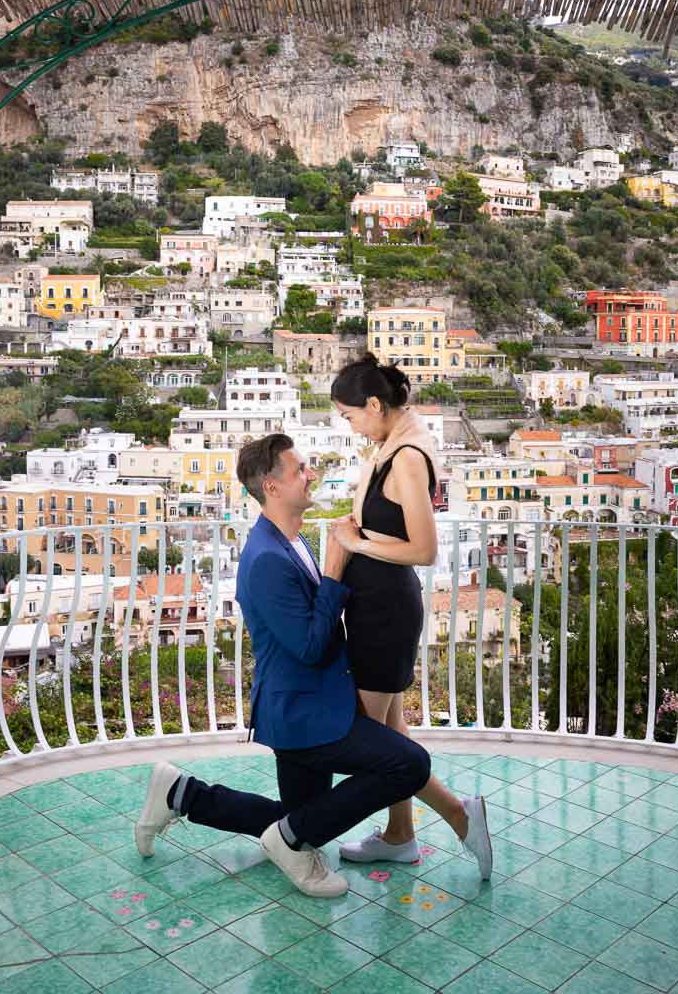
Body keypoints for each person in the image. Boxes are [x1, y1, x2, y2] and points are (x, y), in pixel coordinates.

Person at [136, 433, 492, 897]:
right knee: (406, 764)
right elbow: (307, 646)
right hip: (301, 715)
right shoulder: (265, 558)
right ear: (272, 486)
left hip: (312, 699)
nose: (311, 474)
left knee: (302, 823)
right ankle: (284, 840)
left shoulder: (290, 539)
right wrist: (334, 569)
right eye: (300, 469)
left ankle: (180, 793)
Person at [330, 353, 453, 864]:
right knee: (392, 733)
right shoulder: (394, 442)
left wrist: (357, 547)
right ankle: (401, 836)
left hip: (385, 610)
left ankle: (459, 814)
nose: (352, 427)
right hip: (374, 603)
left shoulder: (405, 456)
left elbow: (424, 549)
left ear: (376, 405)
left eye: (351, 415)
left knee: (363, 738)